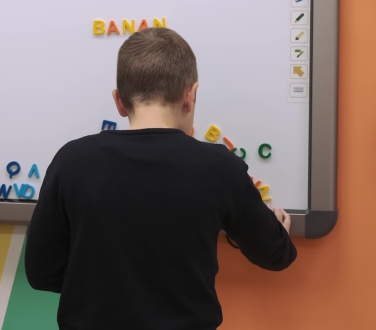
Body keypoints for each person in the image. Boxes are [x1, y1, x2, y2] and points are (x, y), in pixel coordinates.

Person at [25, 27, 296, 330]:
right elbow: (274, 254)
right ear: (189, 96)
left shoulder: (72, 160)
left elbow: (41, 272)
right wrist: (278, 234)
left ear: (119, 101)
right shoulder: (220, 168)